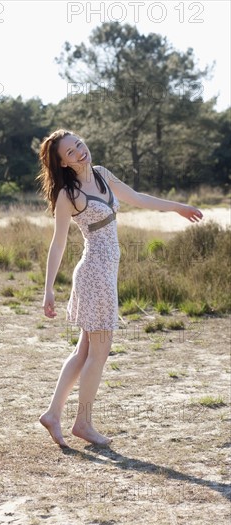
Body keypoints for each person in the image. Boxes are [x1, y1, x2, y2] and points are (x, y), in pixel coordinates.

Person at [37, 129, 203, 449]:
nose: (79, 152)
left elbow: (138, 198)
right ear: (62, 163)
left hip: (105, 274)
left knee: (84, 351)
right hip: (94, 276)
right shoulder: (67, 195)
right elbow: (57, 244)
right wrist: (48, 290)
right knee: (98, 353)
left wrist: (178, 207)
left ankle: (53, 414)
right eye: (70, 152)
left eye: (79, 145)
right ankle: (83, 423)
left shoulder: (102, 175)